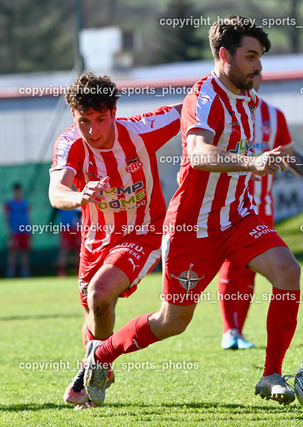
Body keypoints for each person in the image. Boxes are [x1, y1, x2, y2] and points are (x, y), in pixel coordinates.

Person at [80, 16, 301, 407]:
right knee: (172, 322)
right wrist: (252, 163)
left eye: (260, 57)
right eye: (250, 56)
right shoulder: (204, 97)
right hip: (192, 228)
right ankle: (100, 354)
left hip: (237, 216)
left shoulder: (247, 96)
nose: (258, 66)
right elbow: (198, 156)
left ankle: (271, 374)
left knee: (288, 270)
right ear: (223, 55)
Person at [50, 72, 182, 408]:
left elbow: (192, 105)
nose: (93, 130)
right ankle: (99, 365)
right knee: (93, 313)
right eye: (84, 121)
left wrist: (231, 82)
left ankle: (90, 375)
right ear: (73, 116)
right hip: (95, 240)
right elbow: (56, 191)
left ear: (114, 112)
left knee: (100, 292)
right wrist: (79, 196)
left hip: (144, 231)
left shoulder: (141, 131)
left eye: (100, 119)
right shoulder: (70, 144)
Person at [217, 72, 303, 350]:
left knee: (252, 269)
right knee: (230, 264)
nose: (254, 76)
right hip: (227, 206)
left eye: (258, 72)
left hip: (262, 209)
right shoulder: (221, 111)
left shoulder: (274, 116)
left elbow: (289, 154)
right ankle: (229, 330)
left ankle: (238, 332)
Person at [5, 183, 31, 278]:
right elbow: (7, 218)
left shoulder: (25, 203)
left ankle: (25, 272)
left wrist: (30, 229)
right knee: (13, 253)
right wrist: (10, 231)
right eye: (16, 191)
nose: (18, 193)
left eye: (19, 191)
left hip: (25, 232)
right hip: (15, 232)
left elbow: (28, 217)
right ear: (13, 192)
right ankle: (10, 273)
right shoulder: (9, 203)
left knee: (25, 253)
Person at [52, 207, 82, 277]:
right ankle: (61, 272)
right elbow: (54, 213)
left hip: (76, 229)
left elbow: (81, 215)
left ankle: (79, 272)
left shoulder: (78, 199)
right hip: (65, 229)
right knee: (63, 251)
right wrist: (51, 224)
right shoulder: (61, 200)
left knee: (78, 251)